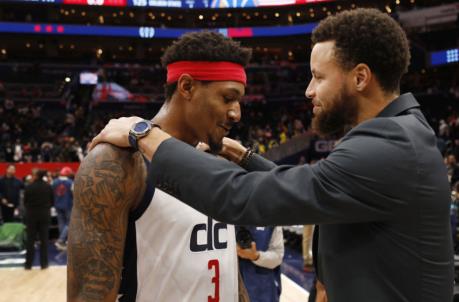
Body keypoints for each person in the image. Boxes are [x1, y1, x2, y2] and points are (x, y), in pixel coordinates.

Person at [90, 8, 454, 301]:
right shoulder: (401, 134)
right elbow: (317, 189)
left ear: (360, 78)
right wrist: (245, 156)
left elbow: (244, 197)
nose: (309, 91)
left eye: (318, 77)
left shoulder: (389, 145)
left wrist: (144, 134)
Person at [68, 31, 252, 302]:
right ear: (187, 87)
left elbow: (227, 269)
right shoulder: (116, 163)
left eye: (239, 102)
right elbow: (89, 294)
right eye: (227, 98)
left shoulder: (220, 162)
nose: (237, 113)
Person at [237, 226, 284, 302]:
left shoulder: (273, 219)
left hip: (263, 289)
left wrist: (256, 256)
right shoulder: (227, 218)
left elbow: (278, 256)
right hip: (233, 286)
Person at [24, 169, 53, 269]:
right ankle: (44, 264)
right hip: (44, 214)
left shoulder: (29, 187)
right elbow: (52, 202)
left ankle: (28, 265)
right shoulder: (48, 186)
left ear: (36, 176)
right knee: (44, 240)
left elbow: (25, 202)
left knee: (30, 240)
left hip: (31, 215)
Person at [52, 166, 73, 251]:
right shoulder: (70, 182)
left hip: (57, 204)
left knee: (61, 223)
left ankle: (63, 241)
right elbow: (74, 193)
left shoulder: (54, 182)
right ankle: (61, 240)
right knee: (69, 223)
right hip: (68, 205)